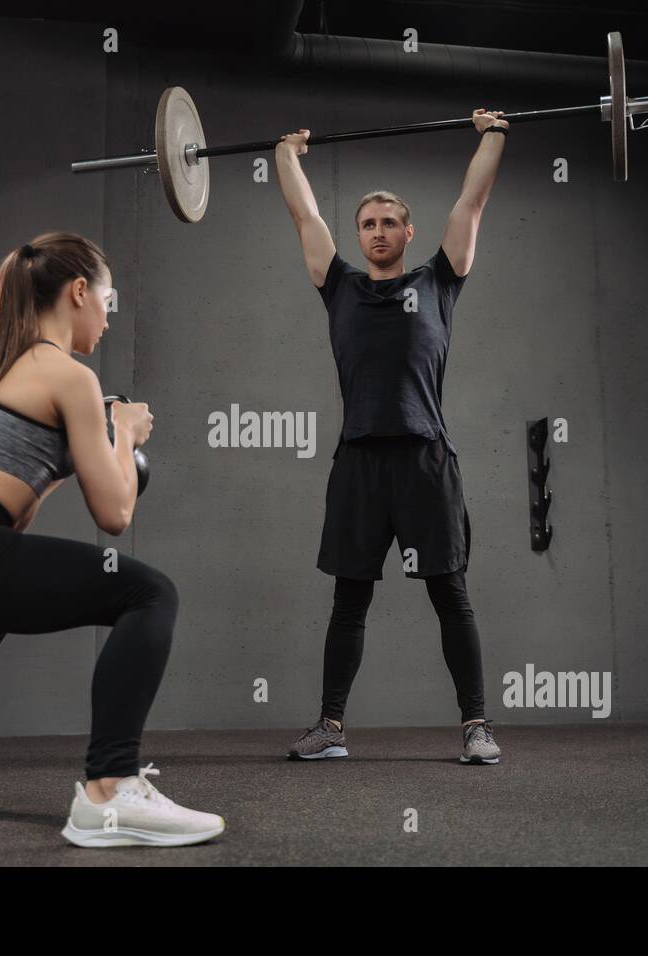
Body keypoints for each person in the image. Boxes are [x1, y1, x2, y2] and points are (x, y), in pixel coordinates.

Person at [0, 232, 224, 848]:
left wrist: (82, 447)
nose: (108, 316)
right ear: (80, 292)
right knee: (150, 592)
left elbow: (11, 509)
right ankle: (110, 792)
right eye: (109, 299)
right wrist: (124, 436)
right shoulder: (68, 375)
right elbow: (115, 514)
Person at [274, 108, 509, 765]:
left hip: (425, 458)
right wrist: (288, 151)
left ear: (409, 231)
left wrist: (493, 134)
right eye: (367, 224)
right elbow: (303, 215)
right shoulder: (340, 287)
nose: (377, 231)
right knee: (349, 599)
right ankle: (330, 728)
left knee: (450, 595)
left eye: (388, 222)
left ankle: (476, 728)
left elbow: (473, 199)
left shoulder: (439, 281)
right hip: (358, 462)